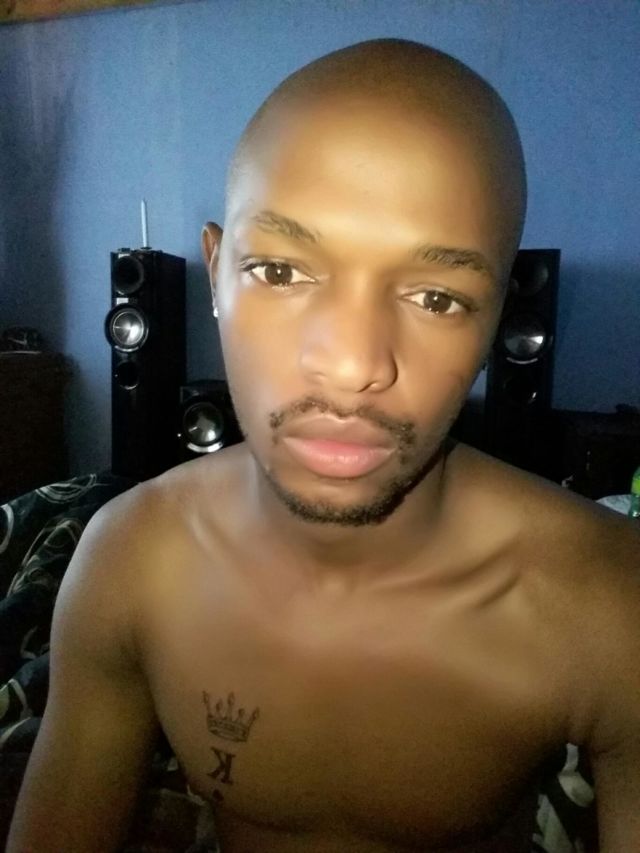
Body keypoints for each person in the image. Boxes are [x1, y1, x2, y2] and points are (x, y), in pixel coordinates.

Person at [7, 38, 640, 853]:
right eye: (280, 272)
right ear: (216, 272)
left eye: (437, 296)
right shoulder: (131, 562)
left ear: (499, 320)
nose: (352, 365)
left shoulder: (606, 601)